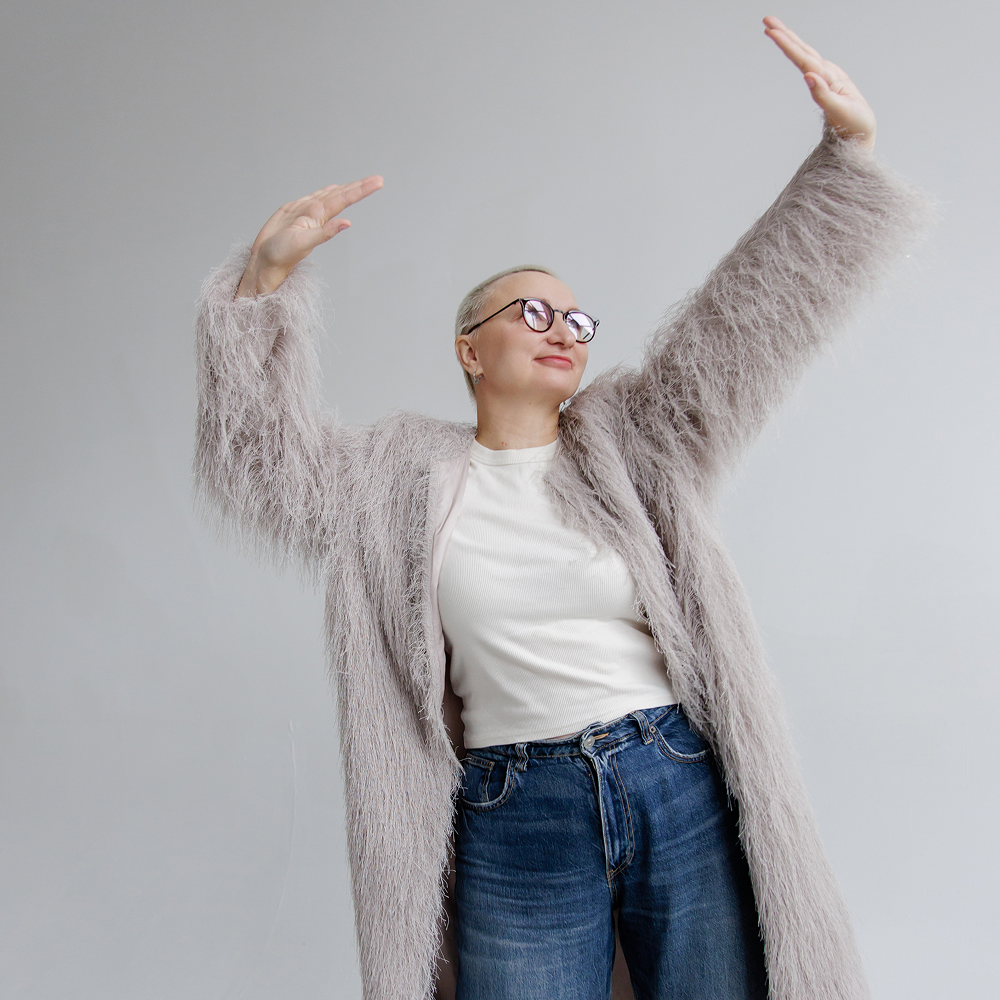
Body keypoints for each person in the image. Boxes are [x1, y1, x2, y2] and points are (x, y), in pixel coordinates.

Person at [194, 16, 930, 1000]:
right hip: (514, 805)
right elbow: (260, 466)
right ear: (469, 349)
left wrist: (845, 154)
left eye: (576, 320)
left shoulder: (633, 438)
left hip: (673, 772)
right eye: (531, 312)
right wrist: (262, 285)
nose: (563, 332)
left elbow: (742, 325)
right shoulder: (390, 477)